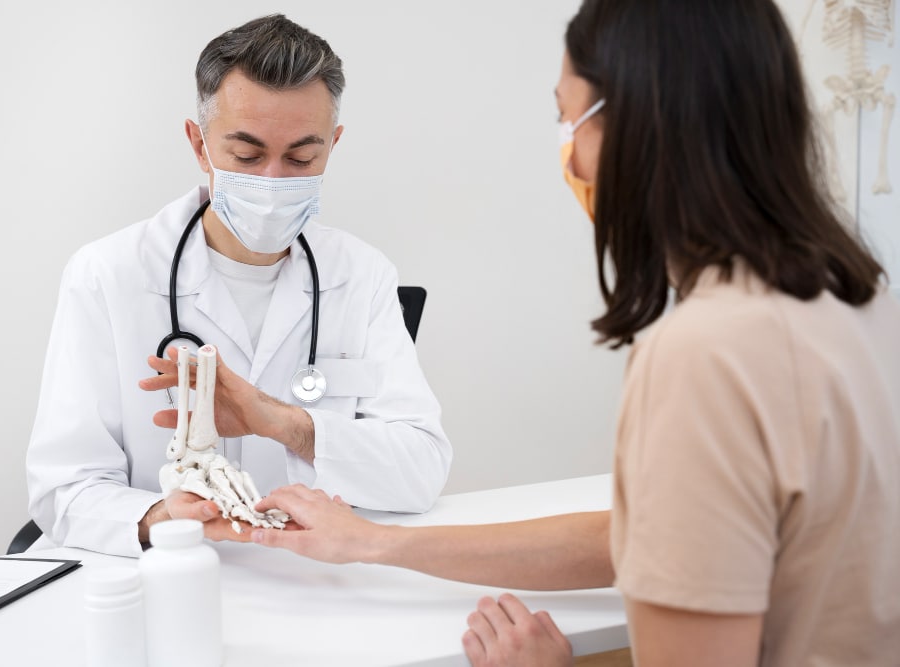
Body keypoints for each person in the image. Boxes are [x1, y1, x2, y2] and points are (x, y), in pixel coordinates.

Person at [247, 1, 900, 665]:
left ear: (642, 124)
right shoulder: (862, 298)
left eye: (569, 117)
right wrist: (373, 541)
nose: (571, 157)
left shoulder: (705, 354)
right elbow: (650, 536)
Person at [26, 14, 452, 558]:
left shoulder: (362, 275)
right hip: (166, 576)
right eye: (247, 156)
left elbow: (421, 470)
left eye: (302, 156)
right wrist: (159, 517)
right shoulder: (108, 274)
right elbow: (63, 487)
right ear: (199, 145)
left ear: (332, 146)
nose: (273, 181)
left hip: (313, 578)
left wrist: (285, 424)